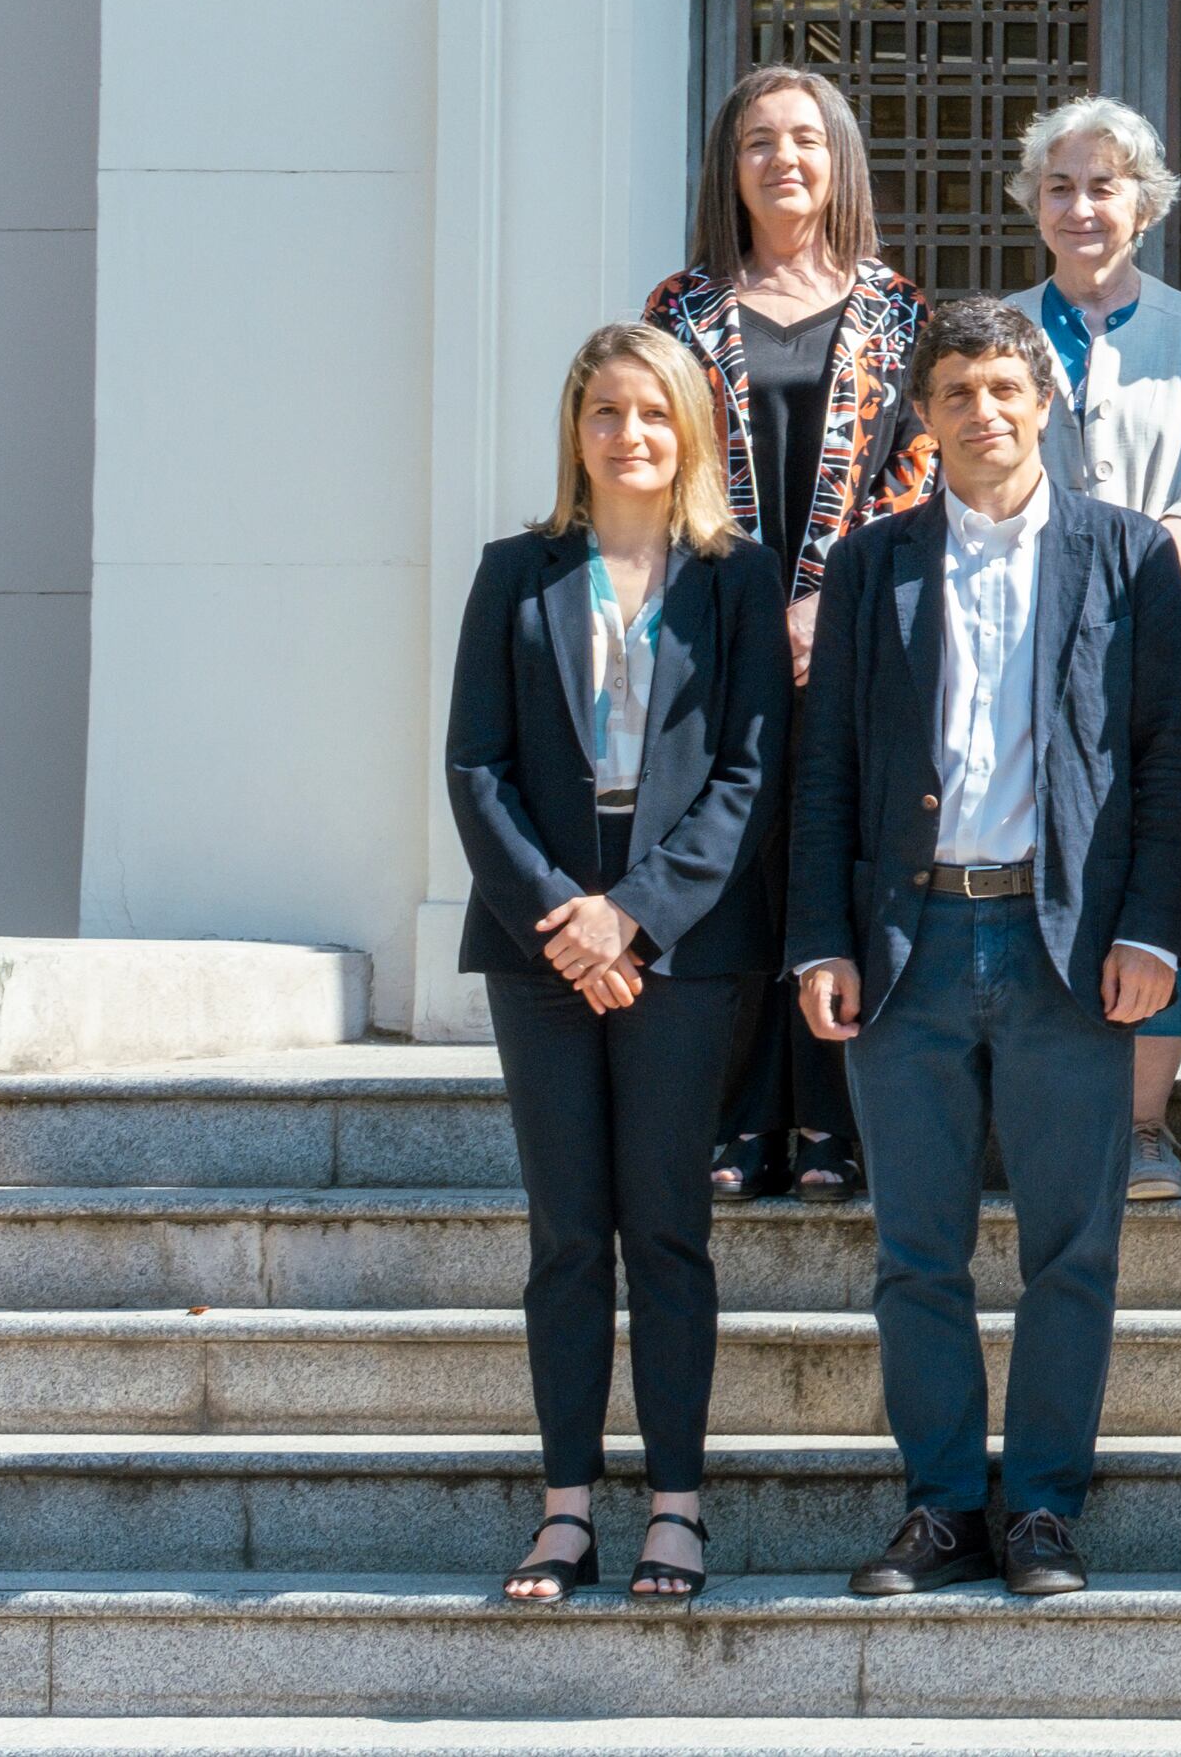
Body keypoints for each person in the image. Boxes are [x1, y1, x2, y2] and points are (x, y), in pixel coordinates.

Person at [786, 299, 1181, 1603]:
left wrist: (1150, 931)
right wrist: (818, 940)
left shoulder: (1125, 557)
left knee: (1072, 1248)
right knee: (917, 1248)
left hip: (1064, 945)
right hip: (907, 946)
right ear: (925, 413)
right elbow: (828, 771)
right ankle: (942, 1503)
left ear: (1044, 406)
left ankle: (1042, 1510)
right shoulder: (872, 567)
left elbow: (1165, 765)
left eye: (1004, 390)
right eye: (956, 392)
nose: (982, 413)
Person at [445, 323, 794, 1606]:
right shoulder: (515, 570)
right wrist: (564, 916)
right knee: (564, 1237)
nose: (629, 435)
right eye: (605, 412)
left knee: (666, 1228)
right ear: (575, 428)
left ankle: (678, 1508)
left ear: (689, 431)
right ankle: (565, 1508)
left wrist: (634, 917)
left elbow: (753, 773)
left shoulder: (736, 577)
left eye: (653, 413)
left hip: (684, 948)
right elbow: (473, 766)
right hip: (539, 936)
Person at [646, 63, 935, 1205]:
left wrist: (825, 597)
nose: (784, 160)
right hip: (715, 627)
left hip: (847, 634)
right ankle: (739, 1122)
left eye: (805, 140)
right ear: (731, 163)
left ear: (839, 160)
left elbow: (914, 469)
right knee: (732, 869)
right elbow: (658, 453)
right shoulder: (682, 307)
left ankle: (829, 1123)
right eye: (759, 140)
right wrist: (747, 595)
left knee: (827, 863)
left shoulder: (893, 309)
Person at [1017, 95, 1181, 1206]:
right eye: (1061, 185)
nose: (1082, 206)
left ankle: (1142, 1125)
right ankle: (1049, 1113)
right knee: (1053, 863)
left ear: (1145, 204)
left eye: (1104, 185)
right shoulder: (1002, 329)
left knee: (1172, 869)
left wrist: (1130, 568)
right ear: (1036, 203)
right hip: (1028, 646)